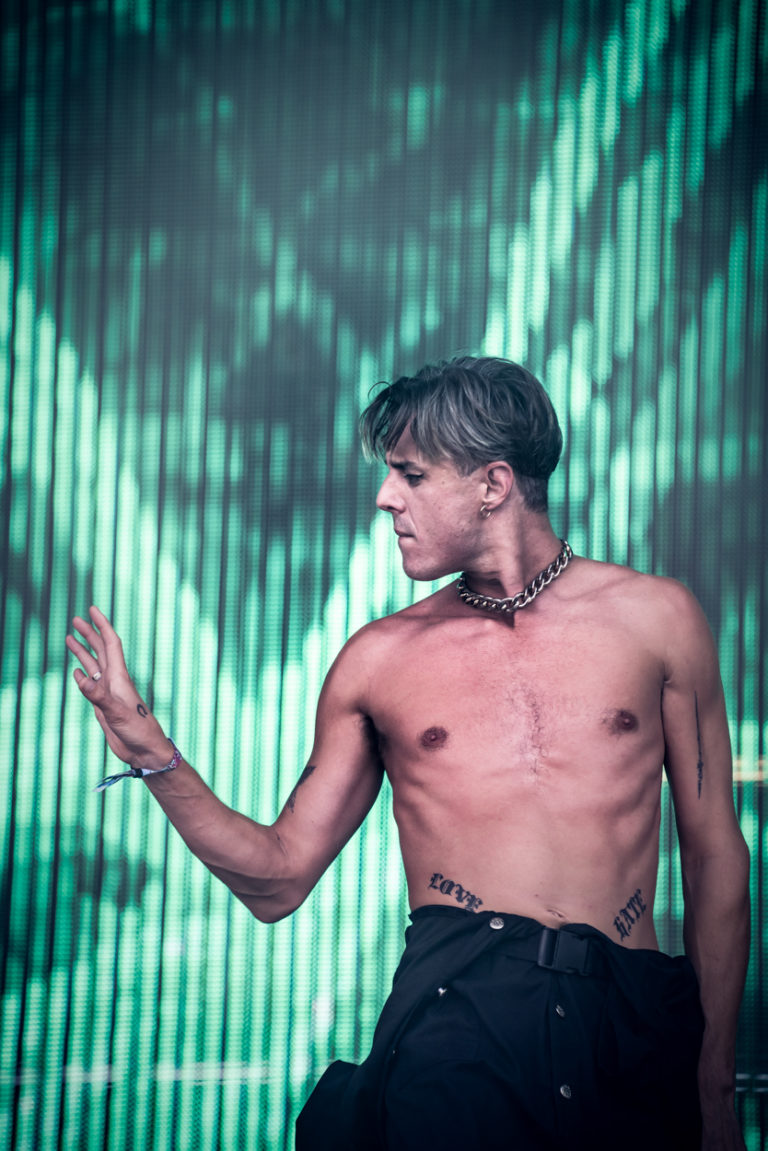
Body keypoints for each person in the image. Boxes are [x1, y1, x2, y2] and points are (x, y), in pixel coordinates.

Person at [66, 356, 749, 1151]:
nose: (386, 497)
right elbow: (278, 877)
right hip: (457, 1028)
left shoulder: (659, 620)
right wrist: (155, 754)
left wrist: (713, 1082)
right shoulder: (379, 661)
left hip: (628, 1028)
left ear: (493, 484)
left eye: (411, 475)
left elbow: (715, 857)